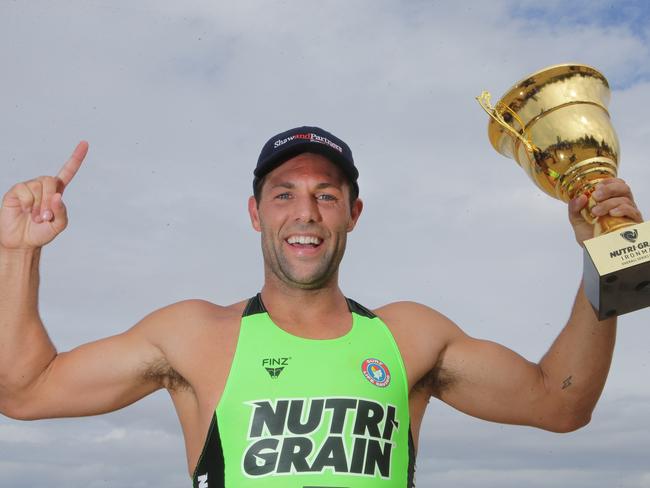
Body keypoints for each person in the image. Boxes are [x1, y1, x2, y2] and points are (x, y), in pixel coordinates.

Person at [0, 126, 643, 488]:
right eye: (284, 195)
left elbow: (563, 404)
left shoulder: (408, 337)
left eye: (326, 195)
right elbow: (24, 391)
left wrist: (608, 258)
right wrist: (18, 252)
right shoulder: (196, 335)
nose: (305, 213)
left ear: (353, 214)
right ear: (256, 213)